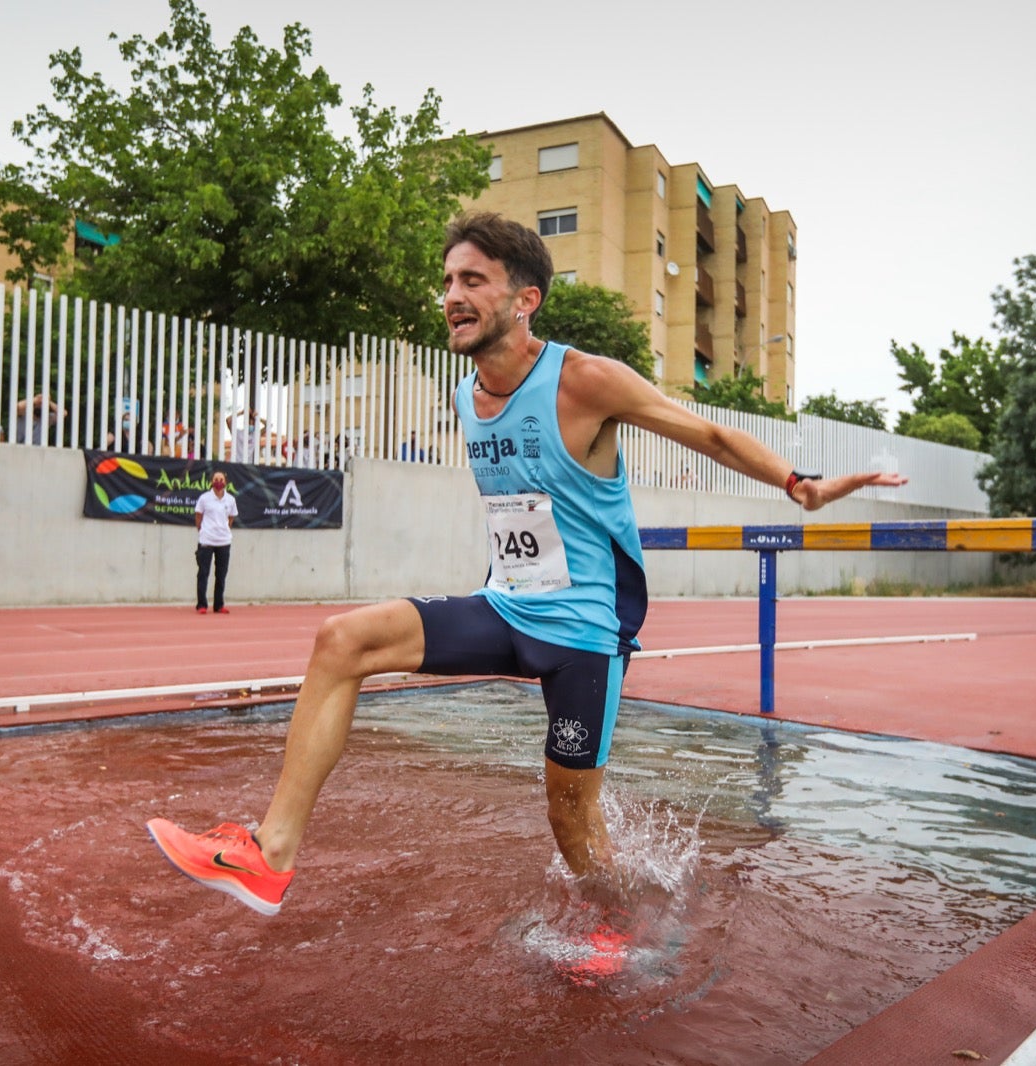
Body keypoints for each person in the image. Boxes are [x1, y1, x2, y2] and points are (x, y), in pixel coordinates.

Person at [146, 211, 907, 917]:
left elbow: (702, 431)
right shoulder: (462, 392)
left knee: (569, 818)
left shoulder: (584, 380)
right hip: (506, 607)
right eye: (447, 281)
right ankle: (269, 856)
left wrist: (799, 486)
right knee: (341, 641)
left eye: (472, 280)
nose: (452, 295)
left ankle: (615, 924)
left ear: (526, 298)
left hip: (582, 632)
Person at [192, 470, 238, 615]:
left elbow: (231, 517)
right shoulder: (204, 498)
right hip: (206, 540)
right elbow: (198, 516)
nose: (219, 482)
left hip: (224, 541)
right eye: (216, 479)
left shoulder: (230, 500)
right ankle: (201, 605)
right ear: (211, 481)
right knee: (203, 573)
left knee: (221, 574)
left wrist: (225, 529)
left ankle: (219, 605)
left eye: (221, 479)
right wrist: (202, 530)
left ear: (226, 482)